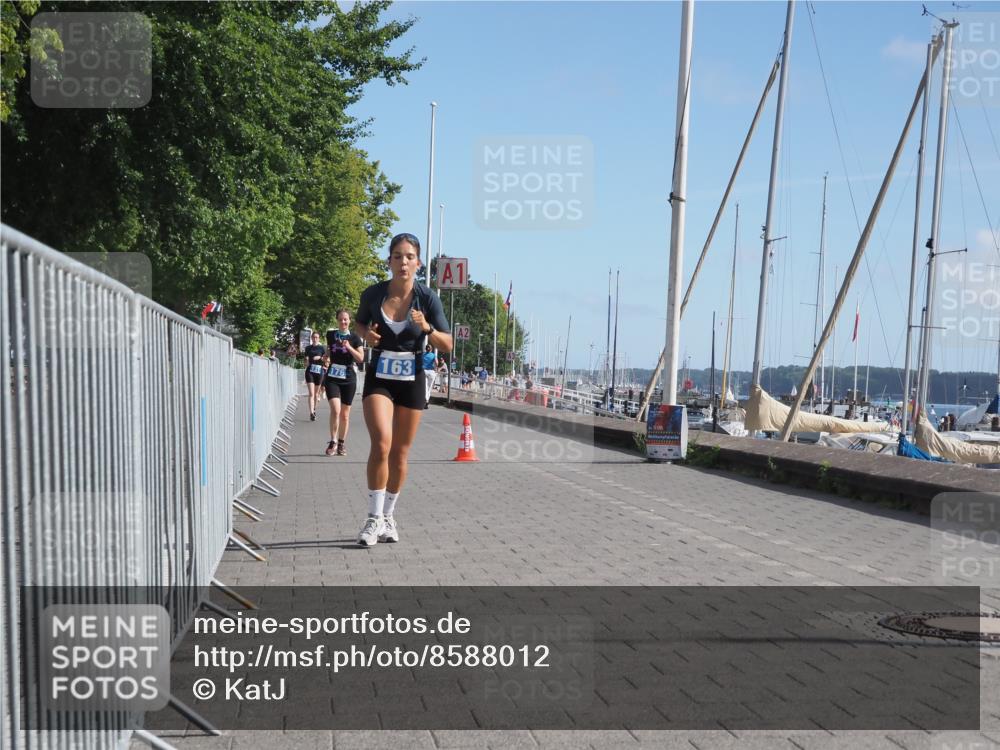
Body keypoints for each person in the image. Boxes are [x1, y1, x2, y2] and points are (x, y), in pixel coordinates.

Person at [354, 232, 452, 547]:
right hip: (380, 376)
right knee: (382, 444)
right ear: (390, 261)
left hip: (412, 377)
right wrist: (366, 336)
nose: (403, 262)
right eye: (398, 256)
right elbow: (359, 325)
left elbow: (448, 344)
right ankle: (372, 518)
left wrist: (427, 328)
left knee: (400, 453)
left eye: (409, 256)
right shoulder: (373, 294)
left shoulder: (428, 299)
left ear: (418, 263)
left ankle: (389, 516)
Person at [323, 310, 365, 456]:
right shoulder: (330, 335)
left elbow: (360, 358)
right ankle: (333, 441)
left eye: (346, 319)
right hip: (333, 376)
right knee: (336, 410)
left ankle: (341, 443)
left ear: (349, 320)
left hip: (348, 378)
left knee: (345, 415)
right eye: (340, 319)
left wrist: (349, 347)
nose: (343, 322)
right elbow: (329, 350)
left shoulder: (355, 338)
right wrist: (326, 356)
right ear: (337, 320)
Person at [303, 331, 326, 420]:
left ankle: (314, 409)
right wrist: (306, 360)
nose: (315, 339)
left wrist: (320, 358)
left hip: (319, 371)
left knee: (316, 394)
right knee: (311, 393)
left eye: (316, 337)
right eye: (314, 337)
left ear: (318, 338)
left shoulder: (321, 348)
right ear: (311, 338)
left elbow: (326, 359)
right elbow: (305, 361)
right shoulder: (308, 348)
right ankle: (311, 413)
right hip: (310, 371)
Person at [422, 345, 437, 409]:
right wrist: (436, 369)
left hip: (424, 371)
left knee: (425, 387)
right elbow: (436, 362)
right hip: (431, 372)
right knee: (429, 387)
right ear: (431, 349)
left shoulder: (423, 354)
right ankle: (427, 400)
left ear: (426, 349)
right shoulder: (433, 355)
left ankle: (426, 401)